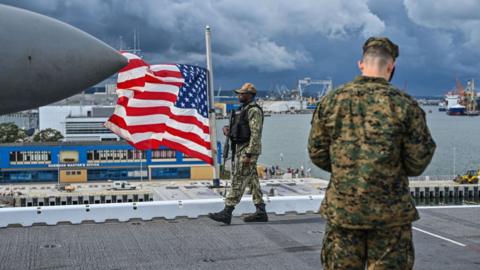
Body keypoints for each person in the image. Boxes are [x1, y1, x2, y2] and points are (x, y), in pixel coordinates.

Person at [308, 37, 436, 269]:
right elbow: (418, 162)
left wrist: (348, 169)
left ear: (361, 64)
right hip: (390, 216)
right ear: (391, 66)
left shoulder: (332, 101)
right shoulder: (405, 105)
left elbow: (317, 153)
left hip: (343, 211)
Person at [208, 82, 267, 225]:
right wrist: (229, 130)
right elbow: (242, 128)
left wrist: (249, 154)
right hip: (242, 148)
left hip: (247, 150)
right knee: (252, 181)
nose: (239, 95)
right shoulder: (243, 110)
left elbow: (255, 133)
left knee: (238, 179)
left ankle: (227, 212)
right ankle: (261, 212)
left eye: (242, 93)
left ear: (249, 95)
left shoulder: (254, 110)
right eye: (239, 93)